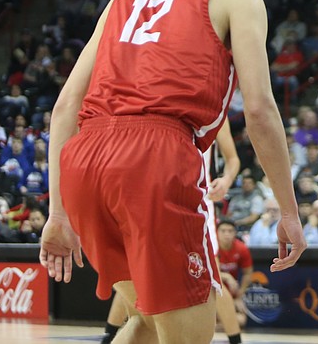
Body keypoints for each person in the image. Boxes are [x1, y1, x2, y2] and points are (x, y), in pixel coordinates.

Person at [38, 0, 306, 344]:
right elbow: (260, 110)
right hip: (155, 157)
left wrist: (58, 213)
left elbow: (65, 107)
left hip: (85, 161)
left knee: (143, 320)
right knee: (188, 336)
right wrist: (288, 209)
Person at [102, 120, 247, 344]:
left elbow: (233, 159)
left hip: (197, 202)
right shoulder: (156, 105)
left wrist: (226, 180)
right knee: (135, 276)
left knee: (211, 280)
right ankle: (109, 335)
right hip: (154, 197)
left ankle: (235, 340)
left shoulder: (214, 108)